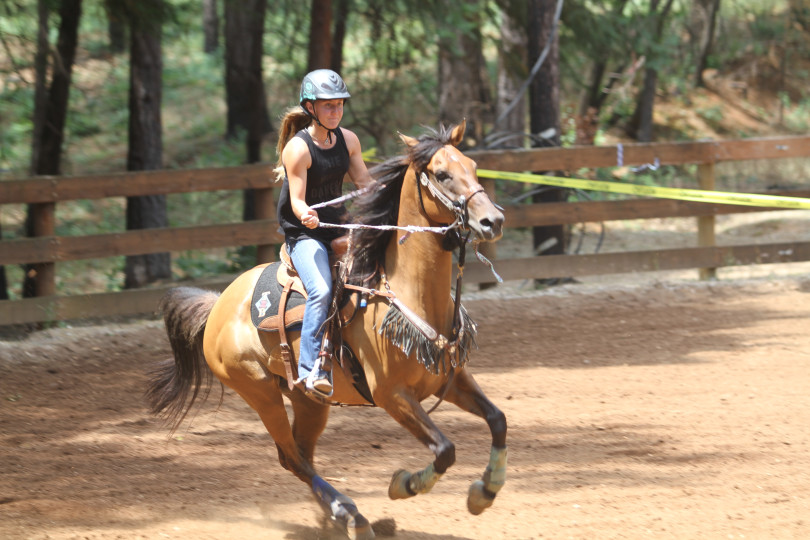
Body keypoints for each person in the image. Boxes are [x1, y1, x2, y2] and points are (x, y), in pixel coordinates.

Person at [274, 69, 374, 398]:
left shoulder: (349, 140)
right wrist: (306, 215)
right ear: (310, 108)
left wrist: (387, 195)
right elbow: (298, 202)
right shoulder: (298, 149)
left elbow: (364, 184)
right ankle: (310, 369)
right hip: (306, 234)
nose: (335, 112)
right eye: (328, 106)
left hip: (339, 223)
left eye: (339, 105)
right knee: (320, 290)